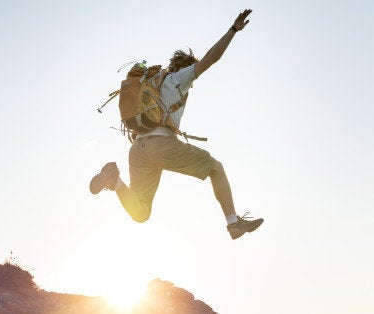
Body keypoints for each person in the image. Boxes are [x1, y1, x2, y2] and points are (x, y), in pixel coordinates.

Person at [90, 9, 263, 240]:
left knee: (141, 213)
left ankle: (115, 182)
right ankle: (234, 224)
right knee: (215, 168)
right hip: (161, 145)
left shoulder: (153, 79)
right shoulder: (179, 79)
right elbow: (211, 58)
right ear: (187, 67)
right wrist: (233, 30)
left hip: (137, 150)